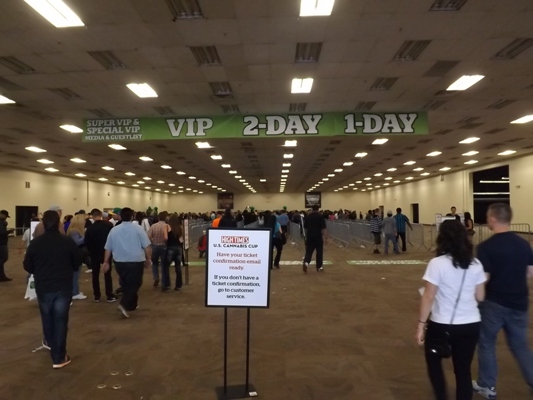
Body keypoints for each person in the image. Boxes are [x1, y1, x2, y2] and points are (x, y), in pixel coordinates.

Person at [416, 220, 486, 400]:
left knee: (434, 365)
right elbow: (480, 297)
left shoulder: (437, 263)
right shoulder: (476, 264)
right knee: (463, 371)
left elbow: (429, 297)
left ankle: (442, 396)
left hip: (441, 323)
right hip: (470, 323)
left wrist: (421, 325)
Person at [473, 203, 533, 399]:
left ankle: (487, 385)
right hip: (520, 303)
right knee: (520, 346)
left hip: (493, 303)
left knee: (487, 343)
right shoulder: (524, 244)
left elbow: (484, 278)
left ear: (492, 219)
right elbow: (530, 273)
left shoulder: (485, 247)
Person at [23, 210, 82, 369]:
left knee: (47, 317)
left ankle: (50, 343)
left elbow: (27, 265)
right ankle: (58, 356)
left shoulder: (36, 242)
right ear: (58, 223)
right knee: (61, 320)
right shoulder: (67, 241)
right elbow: (77, 261)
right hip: (62, 286)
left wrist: (39, 270)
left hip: (44, 287)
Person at [103, 208, 152, 318]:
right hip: (135, 261)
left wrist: (106, 261)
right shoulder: (138, 229)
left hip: (119, 261)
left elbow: (108, 248)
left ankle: (132, 305)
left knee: (126, 283)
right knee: (136, 283)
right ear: (132, 217)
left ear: (120, 216)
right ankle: (123, 304)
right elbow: (146, 246)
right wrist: (149, 259)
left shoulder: (114, 230)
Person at [84, 209, 117, 303]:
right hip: (106, 252)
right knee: (107, 274)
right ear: (101, 214)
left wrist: (91, 252)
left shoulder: (90, 228)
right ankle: (109, 295)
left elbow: (87, 242)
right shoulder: (108, 225)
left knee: (95, 275)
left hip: (94, 254)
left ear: (92, 216)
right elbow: (113, 239)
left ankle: (97, 296)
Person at [66, 214, 89, 300]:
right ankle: (74, 292)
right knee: (75, 274)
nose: (85, 221)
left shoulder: (74, 230)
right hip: (75, 255)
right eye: (84, 220)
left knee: (76, 274)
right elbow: (76, 242)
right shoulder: (74, 231)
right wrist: (86, 237)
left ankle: (75, 290)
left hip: (75, 255)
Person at [303, 205, 327, 273]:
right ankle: (319, 267)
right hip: (318, 237)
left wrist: (305, 237)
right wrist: (326, 237)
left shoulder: (308, 216)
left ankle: (306, 263)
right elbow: (323, 228)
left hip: (310, 236)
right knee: (319, 252)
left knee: (309, 252)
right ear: (318, 209)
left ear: (312, 209)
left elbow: (305, 227)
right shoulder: (320, 216)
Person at [147, 212, 170, 287]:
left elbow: (149, 237)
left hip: (155, 246)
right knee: (164, 265)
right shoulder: (167, 226)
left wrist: (152, 242)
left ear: (158, 217)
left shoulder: (153, 226)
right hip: (164, 246)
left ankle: (156, 277)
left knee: (155, 263)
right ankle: (164, 282)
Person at [162, 214, 183, 292]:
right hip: (178, 248)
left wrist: (165, 243)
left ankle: (167, 285)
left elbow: (165, 237)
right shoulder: (180, 227)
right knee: (178, 267)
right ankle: (178, 285)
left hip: (170, 247)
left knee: (166, 267)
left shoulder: (166, 226)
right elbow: (181, 239)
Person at [0, 209, 14, 282]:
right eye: (5, 216)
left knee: (1, 259)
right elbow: (2, 233)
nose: (6, 218)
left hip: (2, 243)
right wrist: (10, 231)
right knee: (4, 258)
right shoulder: (0, 222)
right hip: (2, 244)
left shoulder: (2, 222)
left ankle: (2, 276)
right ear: (2, 214)